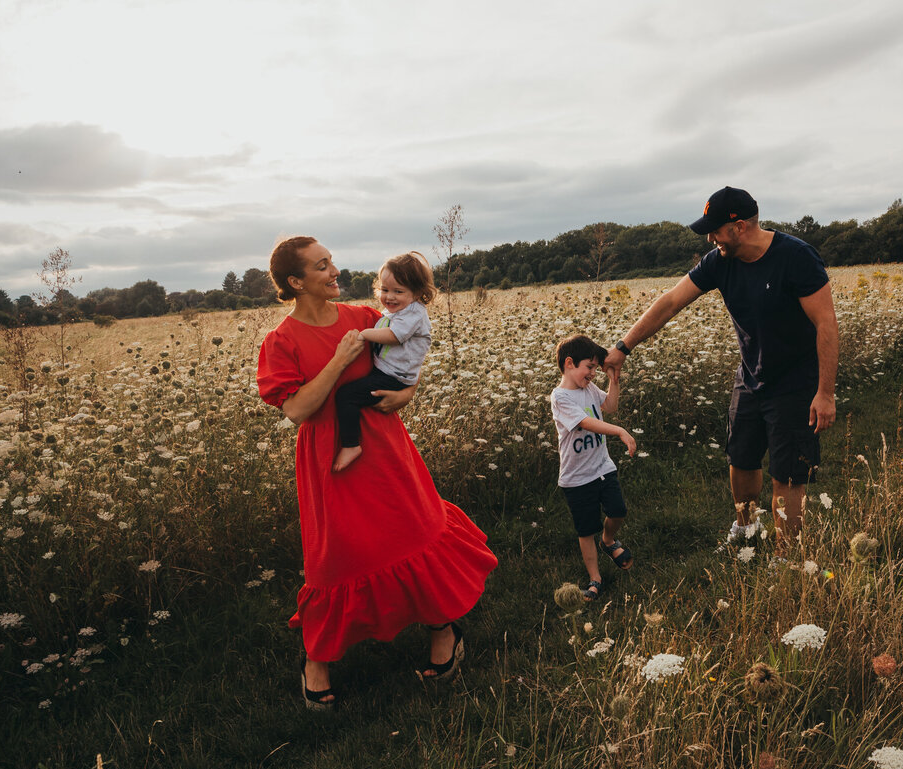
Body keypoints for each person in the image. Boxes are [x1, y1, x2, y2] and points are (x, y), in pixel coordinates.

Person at [256, 235, 497, 710]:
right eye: (322, 266)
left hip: (385, 447)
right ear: (295, 281)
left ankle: (443, 629)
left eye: (331, 261)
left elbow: (407, 365)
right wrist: (340, 360)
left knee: (415, 533)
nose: (334, 271)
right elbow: (298, 410)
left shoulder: (365, 319)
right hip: (330, 456)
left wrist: (406, 396)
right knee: (335, 558)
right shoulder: (281, 341)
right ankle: (317, 659)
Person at [604, 186, 838, 539]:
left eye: (715, 230)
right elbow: (670, 303)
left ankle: (786, 557)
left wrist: (825, 392)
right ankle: (746, 528)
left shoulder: (797, 257)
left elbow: (826, 323)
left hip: (796, 383)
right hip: (750, 377)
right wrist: (623, 347)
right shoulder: (719, 261)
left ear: (740, 226)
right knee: (740, 458)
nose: (711, 238)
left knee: (786, 473)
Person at [550, 334, 636, 602]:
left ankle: (608, 541)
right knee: (586, 529)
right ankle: (595, 578)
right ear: (569, 363)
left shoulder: (589, 390)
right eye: (589, 367)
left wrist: (614, 380)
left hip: (602, 467)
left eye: (596, 369)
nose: (592, 374)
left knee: (618, 510)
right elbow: (586, 422)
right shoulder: (560, 397)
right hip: (577, 479)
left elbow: (609, 407)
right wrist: (620, 431)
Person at [333, 251, 434, 472]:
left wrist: (364, 334)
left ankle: (351, 445)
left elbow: (394, 336)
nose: (390, 297)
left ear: (417, 293)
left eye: (398, 291)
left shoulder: (414, 314)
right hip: (392, 373)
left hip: (393, 377)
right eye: (385, 290)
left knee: (346, 396)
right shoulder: (402, 309)